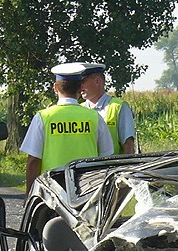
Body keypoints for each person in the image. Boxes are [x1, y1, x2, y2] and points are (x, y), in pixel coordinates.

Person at [20, 63, 114, 193]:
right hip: (86, 191)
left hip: (52, 193)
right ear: (80, 87)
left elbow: (33, 161)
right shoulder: (94, 117)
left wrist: (30, 194)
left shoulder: (43, 117)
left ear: (55, 88)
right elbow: (106, 158)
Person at [79, 62, 137, 154]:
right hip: (86, 167)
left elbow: (128, 147)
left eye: (83, 82)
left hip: (112, 167)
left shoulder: (119, 107)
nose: (80, 86)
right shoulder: (79, 109)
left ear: (97, 81)